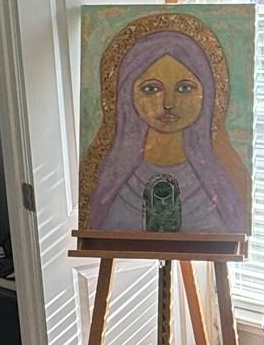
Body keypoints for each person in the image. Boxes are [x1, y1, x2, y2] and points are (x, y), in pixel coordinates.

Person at [84, 19, 249, 233]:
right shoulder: (110, 182)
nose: (168, 104)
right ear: (126, 93)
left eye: (185, 88)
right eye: (151, 89)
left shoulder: (221, 183)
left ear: (208, 93)